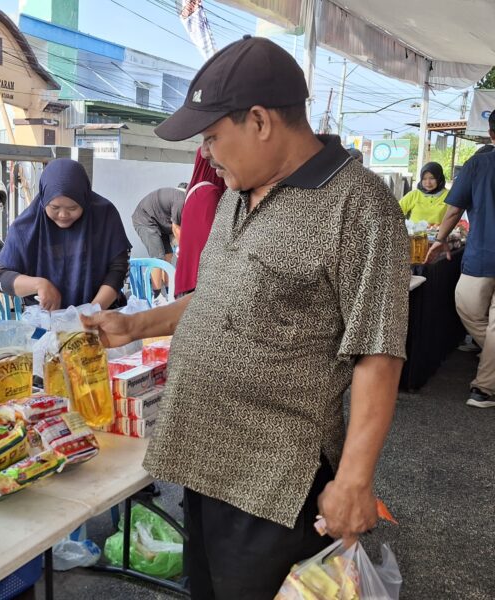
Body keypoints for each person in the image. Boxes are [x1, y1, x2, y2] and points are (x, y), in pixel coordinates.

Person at [82, 36, 410, 598]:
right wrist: (135, 327)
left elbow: (377, 348)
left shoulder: (358, 204)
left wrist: (355, 478)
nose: (206, 152)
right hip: (202, 457)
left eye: (212, 136)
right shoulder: (236, 193)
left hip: (273, 480)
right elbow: (218, 298)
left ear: (259, 120)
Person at [0, 159, 131, 311]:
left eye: (73, 207)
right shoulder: (26, 227)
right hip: (48, 321)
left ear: (85, 198)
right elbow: (0, 277)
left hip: (101, 314)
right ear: (44, 199)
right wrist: (39, 285)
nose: (63, 214)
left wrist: (92, 311)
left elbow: (118, 268)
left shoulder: (105, 216)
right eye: (54, 207)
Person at [426, 110, 495, 409]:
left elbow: (453, 210)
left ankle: (485, 388)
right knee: (477, 314)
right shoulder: (478, 164)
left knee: (469, 310)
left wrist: (440, 240)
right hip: (481, 254)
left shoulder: (477, 165)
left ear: (490, 134)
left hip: (481, 254)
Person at [174, 148, 226, 296]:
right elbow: (214, 244)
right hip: (199, 284)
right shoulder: (208, 194)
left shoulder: (196, 192)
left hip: (191, 281)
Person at [131, 184, 187, 304]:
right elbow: (177, 228)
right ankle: (156, 297)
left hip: (160, 224)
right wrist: (184, 249)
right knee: (158, 257)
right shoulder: (182, 199)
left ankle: (169, 292)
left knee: (168, 255)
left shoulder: (181, 199)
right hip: (145, 220)